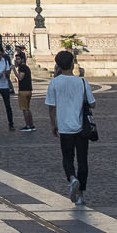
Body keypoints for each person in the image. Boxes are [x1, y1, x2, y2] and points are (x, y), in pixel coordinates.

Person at [43, 49, 93, 205]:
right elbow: (93, 103)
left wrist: (53, 124)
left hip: (64, 127)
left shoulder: (54, 83)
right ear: (72, 64)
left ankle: (72, 178)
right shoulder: (82, 82)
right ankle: (81, 195)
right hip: (81, 127)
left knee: (67, 158)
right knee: (83, 161)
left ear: (58, 65)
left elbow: (51, 107)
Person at [15, 52, 36, 132]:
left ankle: (28, 126)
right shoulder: (27, 67)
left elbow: (20, 77)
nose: (17, 61)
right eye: (16, 59)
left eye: (18, 59)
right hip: (28, 90)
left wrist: (14, 70)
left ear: (22, 59)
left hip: (23, 90)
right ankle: (31, 125)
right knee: (27, 108)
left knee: (25, 109)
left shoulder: (22, 67)